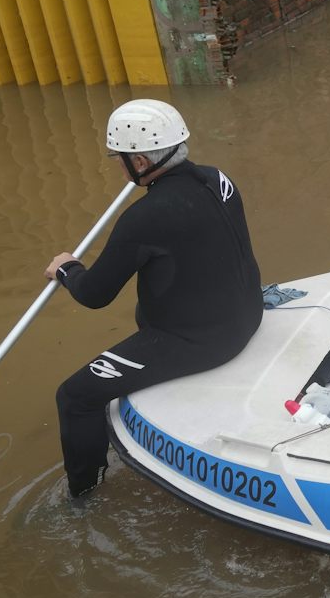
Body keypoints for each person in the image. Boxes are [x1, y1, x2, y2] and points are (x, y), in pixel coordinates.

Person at [45, 99, 262, 498]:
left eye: (120, 159)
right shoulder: (219, 180)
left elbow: (95, 295)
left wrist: (66, 269)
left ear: (141, 163)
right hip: (249, 314)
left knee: (74, 397)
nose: (118, 166)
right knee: (148, 307)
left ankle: (85, 493)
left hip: (204, 342)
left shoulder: (144, 217)